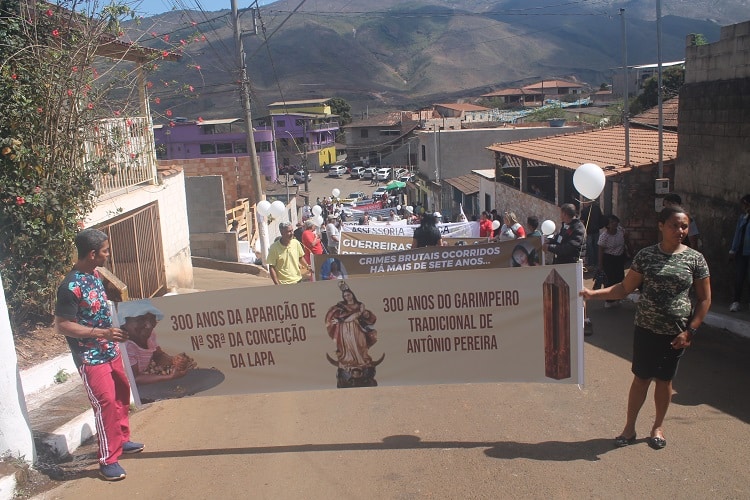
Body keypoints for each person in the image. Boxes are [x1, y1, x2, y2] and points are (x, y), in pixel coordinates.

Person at [580, 205, 711, 450]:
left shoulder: (695, 259)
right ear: (661, 226)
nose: (680, 230)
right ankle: (629, 428)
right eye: (674, 225)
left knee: (664, 381)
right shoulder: (646, 256)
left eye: (684, 226)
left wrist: (690, 331)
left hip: (676, 333)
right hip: (645, 329)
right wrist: (593, 294)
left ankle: (657, 427)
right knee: (641, 378)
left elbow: (704, 299)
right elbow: (623, 288)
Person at [54, 228, 143, 481]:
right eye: (105, 251)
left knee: (122, 395)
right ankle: (108, 459)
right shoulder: (69, 287)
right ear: (92, 254)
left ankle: (122, 440)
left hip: (110, 351)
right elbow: (62, 325)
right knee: (104, 403)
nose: (108, 255)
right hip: (90, 357)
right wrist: (102, 333)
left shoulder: (94, 274)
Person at [118, 301, 194, 385]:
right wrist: (170, 377)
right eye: (140, 320)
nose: (149, 325)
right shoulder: (125, 346)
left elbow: (158, 356)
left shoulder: (149, 335)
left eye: (152, 319)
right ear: (123, 323)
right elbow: (135, 379)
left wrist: (174, 361)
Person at [545, 203, 590, 335]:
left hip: (572, 266)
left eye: (561, 213)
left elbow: (569, 248)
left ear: (565, 214)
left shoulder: (578, 228)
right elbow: (559, 240)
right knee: (563, 294)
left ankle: (584, 321)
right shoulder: (566, 226)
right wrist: (550, 242)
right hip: (561, 266)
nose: (560, 215)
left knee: (578, 294)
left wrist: (550, 248)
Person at [325, 282, 377, 369]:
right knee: (349, 345)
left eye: (348, 295)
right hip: (346, 329)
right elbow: (336, 313)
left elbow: (359, 314)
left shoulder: (360, 305)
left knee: (360, 343)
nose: (347, 297)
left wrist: (343, 319)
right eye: (345, 296)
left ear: (352, 294)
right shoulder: (342, 306)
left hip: (357, 327)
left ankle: (362, 359)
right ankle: (349, 360)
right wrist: (338, 319)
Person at [598, 214, 633, 309]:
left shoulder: (621, 231)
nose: (615, 224)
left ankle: (618, 298)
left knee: (620, 278)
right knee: (610, 280)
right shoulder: (604, 237)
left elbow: (627, 242)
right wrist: (600, 265)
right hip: (609, 259)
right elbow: (601, 251)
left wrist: (631, 252)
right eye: (612, 222)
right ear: (607, 225)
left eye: (615, 221)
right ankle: (609, 300)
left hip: (619, 258)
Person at [728, 194, 750, 312]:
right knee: (739, 277)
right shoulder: (743, 218)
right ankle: (736, 301)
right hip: (742, 252)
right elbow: (738, 234)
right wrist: (733, 249)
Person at [581, 200, 604, 269]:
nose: (583, 203)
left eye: (584, 202)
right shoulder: (597, 208)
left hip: (589, 232)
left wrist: (582, 232)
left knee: (590, 248)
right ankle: (597, 263)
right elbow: (601, 217)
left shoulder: (584, 210)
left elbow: (582, 221)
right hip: (596, 230)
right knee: (596, 247)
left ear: (588, 202)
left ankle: (591, 263)